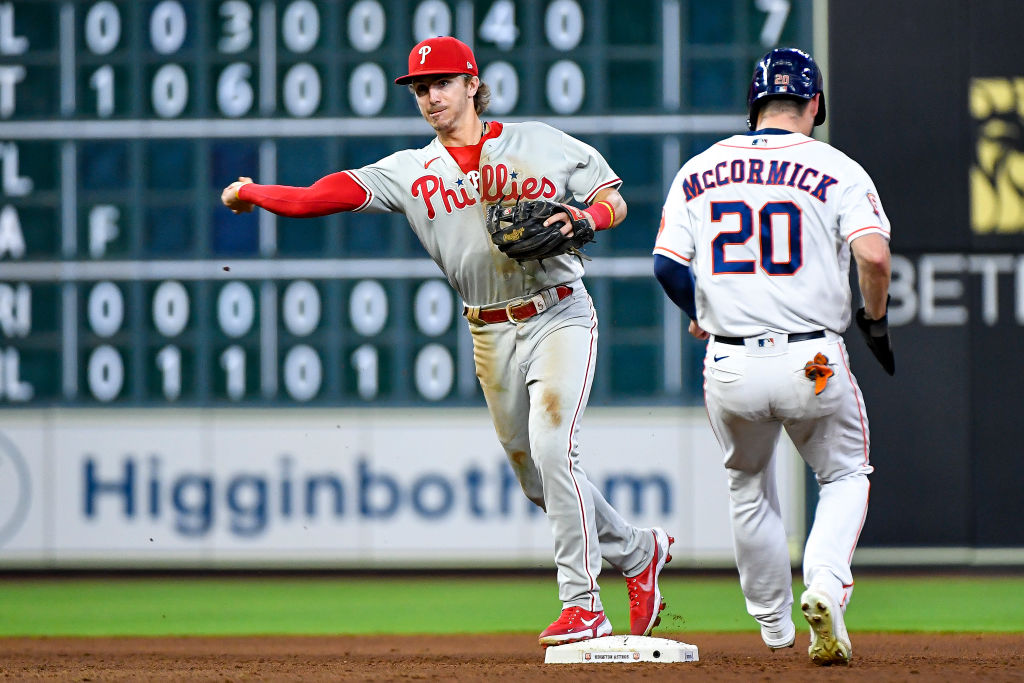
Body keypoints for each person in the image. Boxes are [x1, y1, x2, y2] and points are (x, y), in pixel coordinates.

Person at [221, 36, 672, 647]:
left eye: (441, 83)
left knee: (551, 443)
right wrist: (252, 192)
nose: (430, 96)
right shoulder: (409, 171)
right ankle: (640, 552)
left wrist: (587, 219)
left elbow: (612, 199)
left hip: (558, 313)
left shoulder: (537, 141)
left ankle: (583, 602)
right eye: (420, 88)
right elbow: (315, 199)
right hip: (488, 329)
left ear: (471, 84)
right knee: (537, 479)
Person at [653, 47, 892, 666]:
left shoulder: (700, 167)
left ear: (753, 106)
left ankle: (775, 632)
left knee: (748, 484)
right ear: (815, 104)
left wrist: (702, 312)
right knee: (843, 475)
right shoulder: (837, 167)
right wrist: (874, 318)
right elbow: (873, 258)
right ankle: (825, 585)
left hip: (729, 366)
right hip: (809, 361)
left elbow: (666, 265)